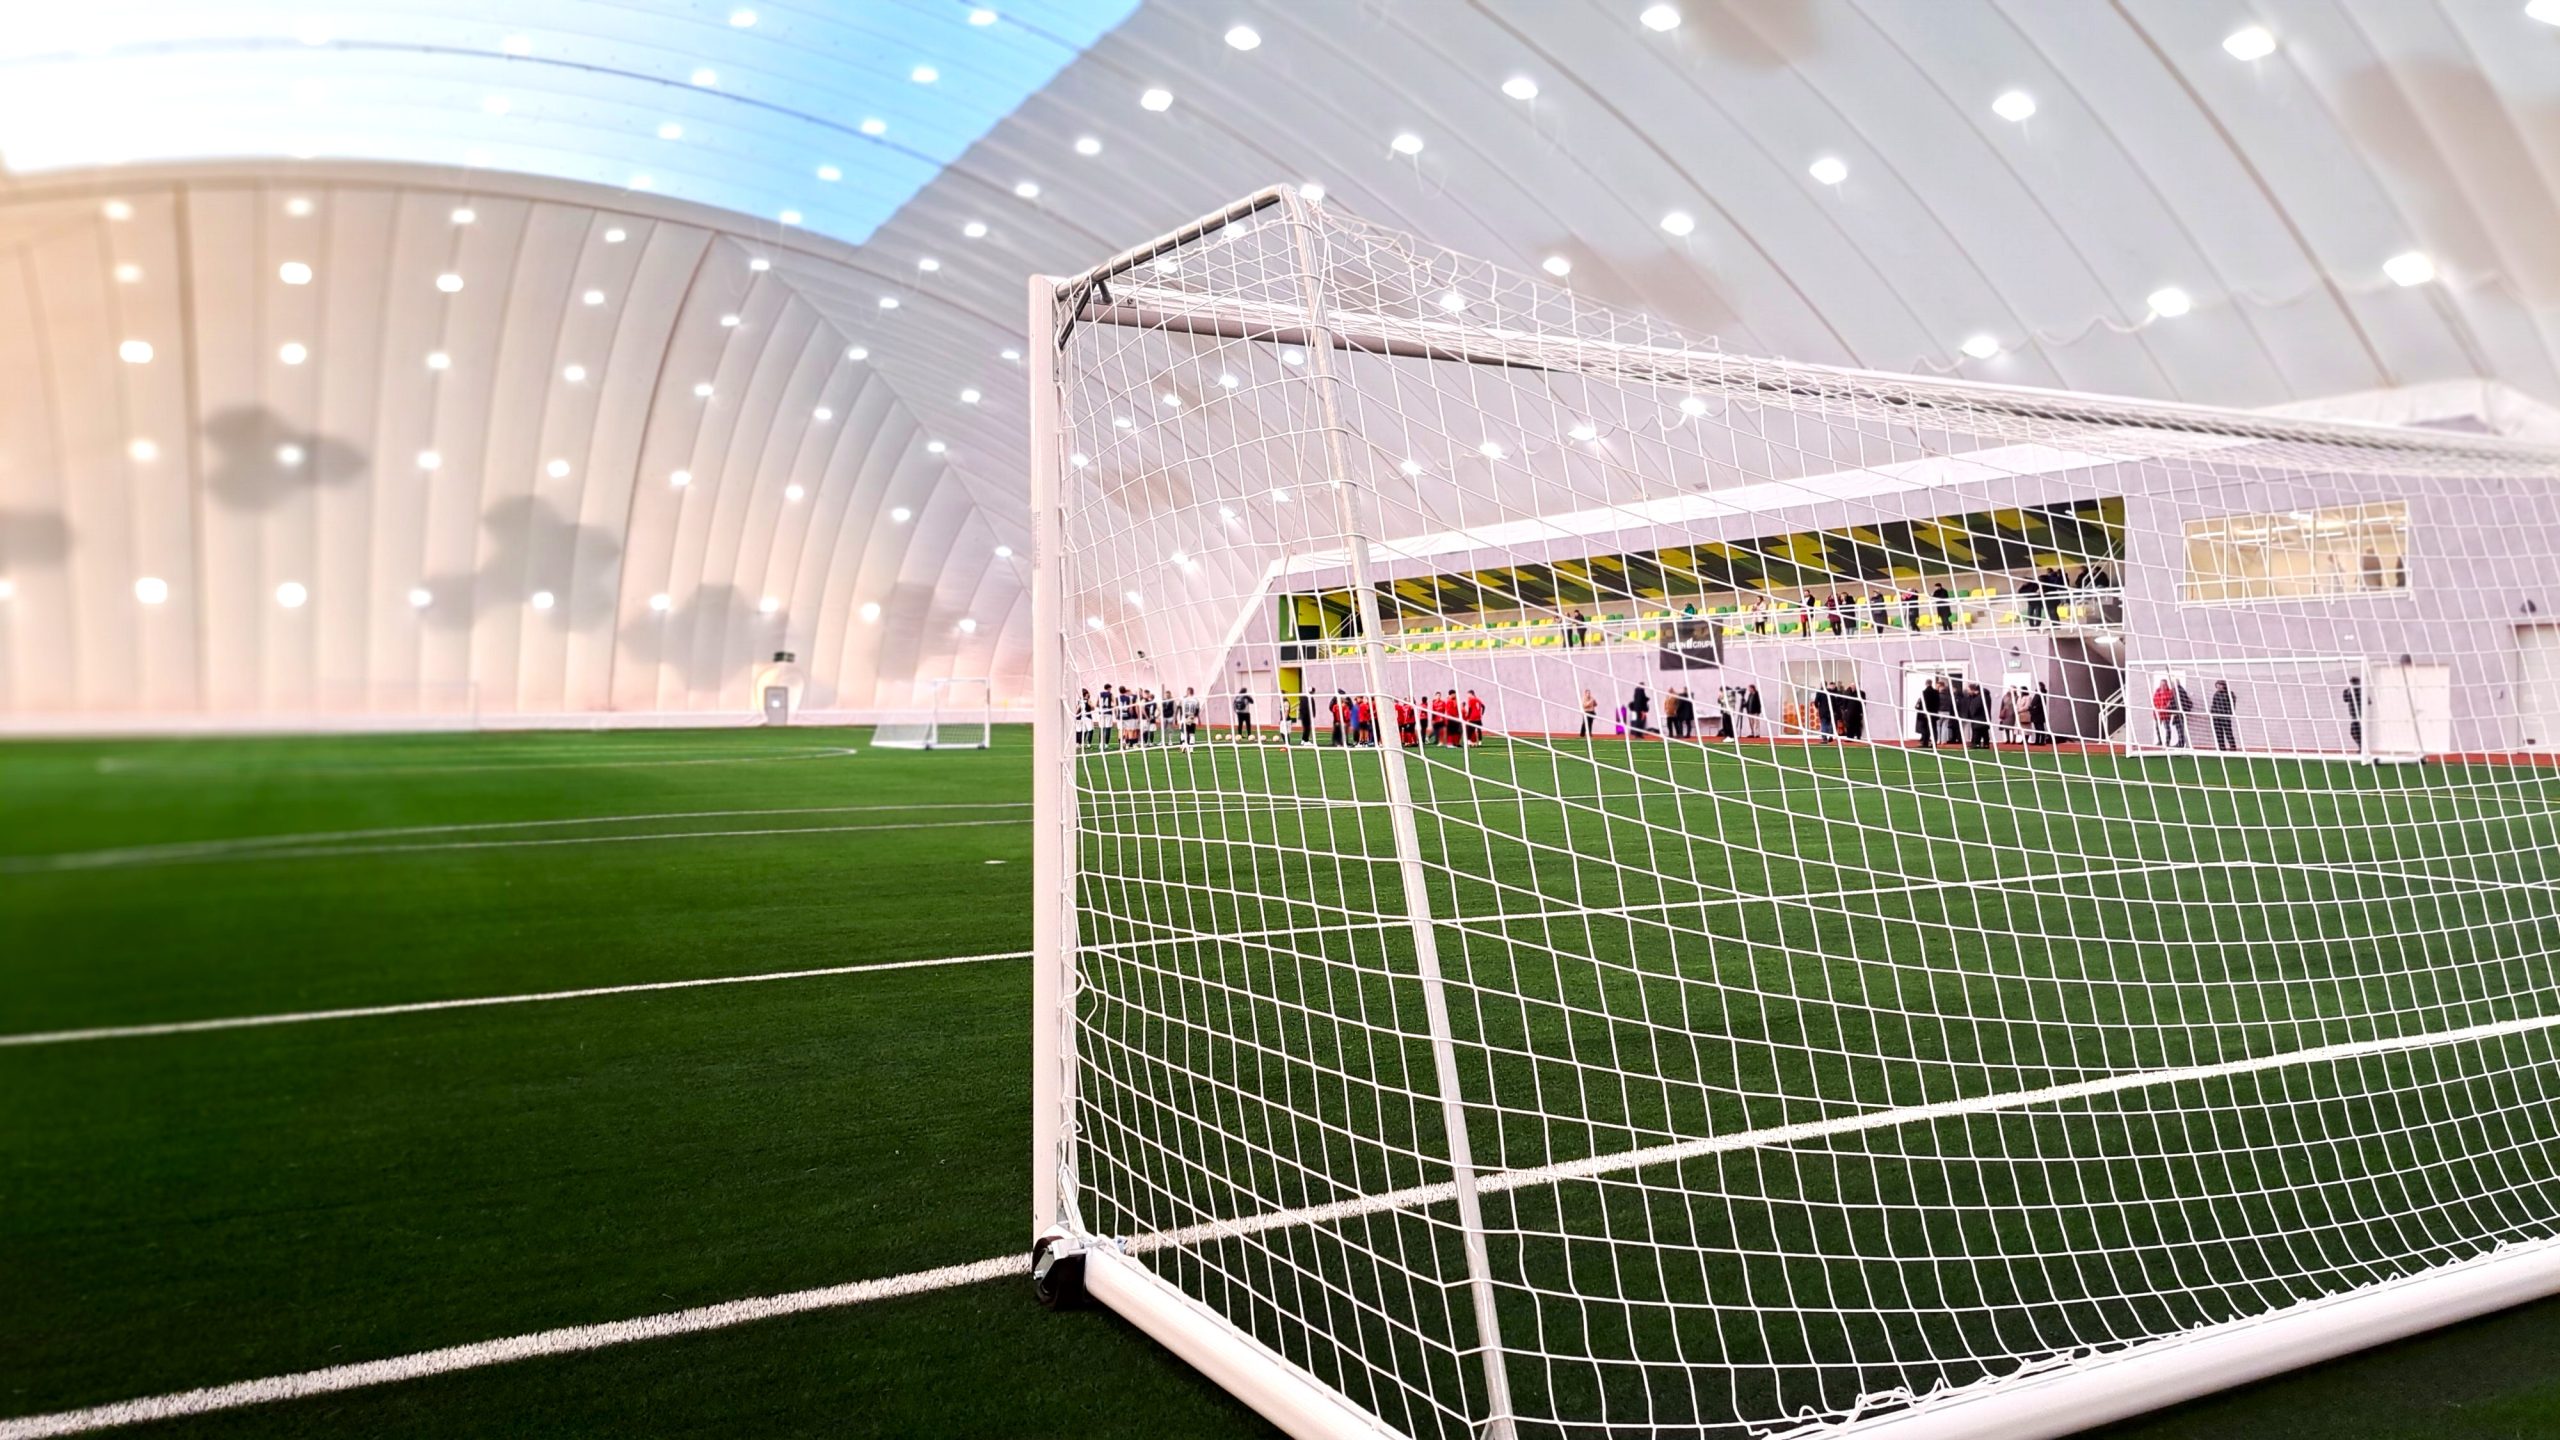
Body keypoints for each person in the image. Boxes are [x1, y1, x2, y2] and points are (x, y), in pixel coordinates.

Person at [2210, 680, 2237, 751]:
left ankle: (2233, 747)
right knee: (2218, 733)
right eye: (2217, 685)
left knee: (2228, 732)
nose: (2218, 686)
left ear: (2224, 685)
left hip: (2225, 716)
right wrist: (2212, 712)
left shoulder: (2229, 694)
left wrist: (2229, 713)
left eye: (2220, 685)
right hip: (2216, 716)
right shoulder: (2216, 694)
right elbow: (2214, 704)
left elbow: (2232, 705)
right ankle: (2221, 748)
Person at [2151, 675, 2175, 747]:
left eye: (2164, 684)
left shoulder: (2169, 692)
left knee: (2167, 727)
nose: (2162, 686)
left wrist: (2165, 707)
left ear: (2166, 685)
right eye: (2161, 684)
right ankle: (2160, 741)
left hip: (2165, 714)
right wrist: (2157, 708)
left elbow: (2169, 703)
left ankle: (2167, 742)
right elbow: (2154, 700)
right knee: (2157, 727)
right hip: (2158, 713)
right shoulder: (2157, 691)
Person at [2343, 675, 2364, 752]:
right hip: (2354, 715)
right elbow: (2345, 699)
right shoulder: (2349, 691)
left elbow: (2369, 701)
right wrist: (2347, 691)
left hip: (2360, 715)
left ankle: (2362, 748)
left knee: (2357, 732)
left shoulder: (2361, 691)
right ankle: (2361, 747)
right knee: (2354, 732)